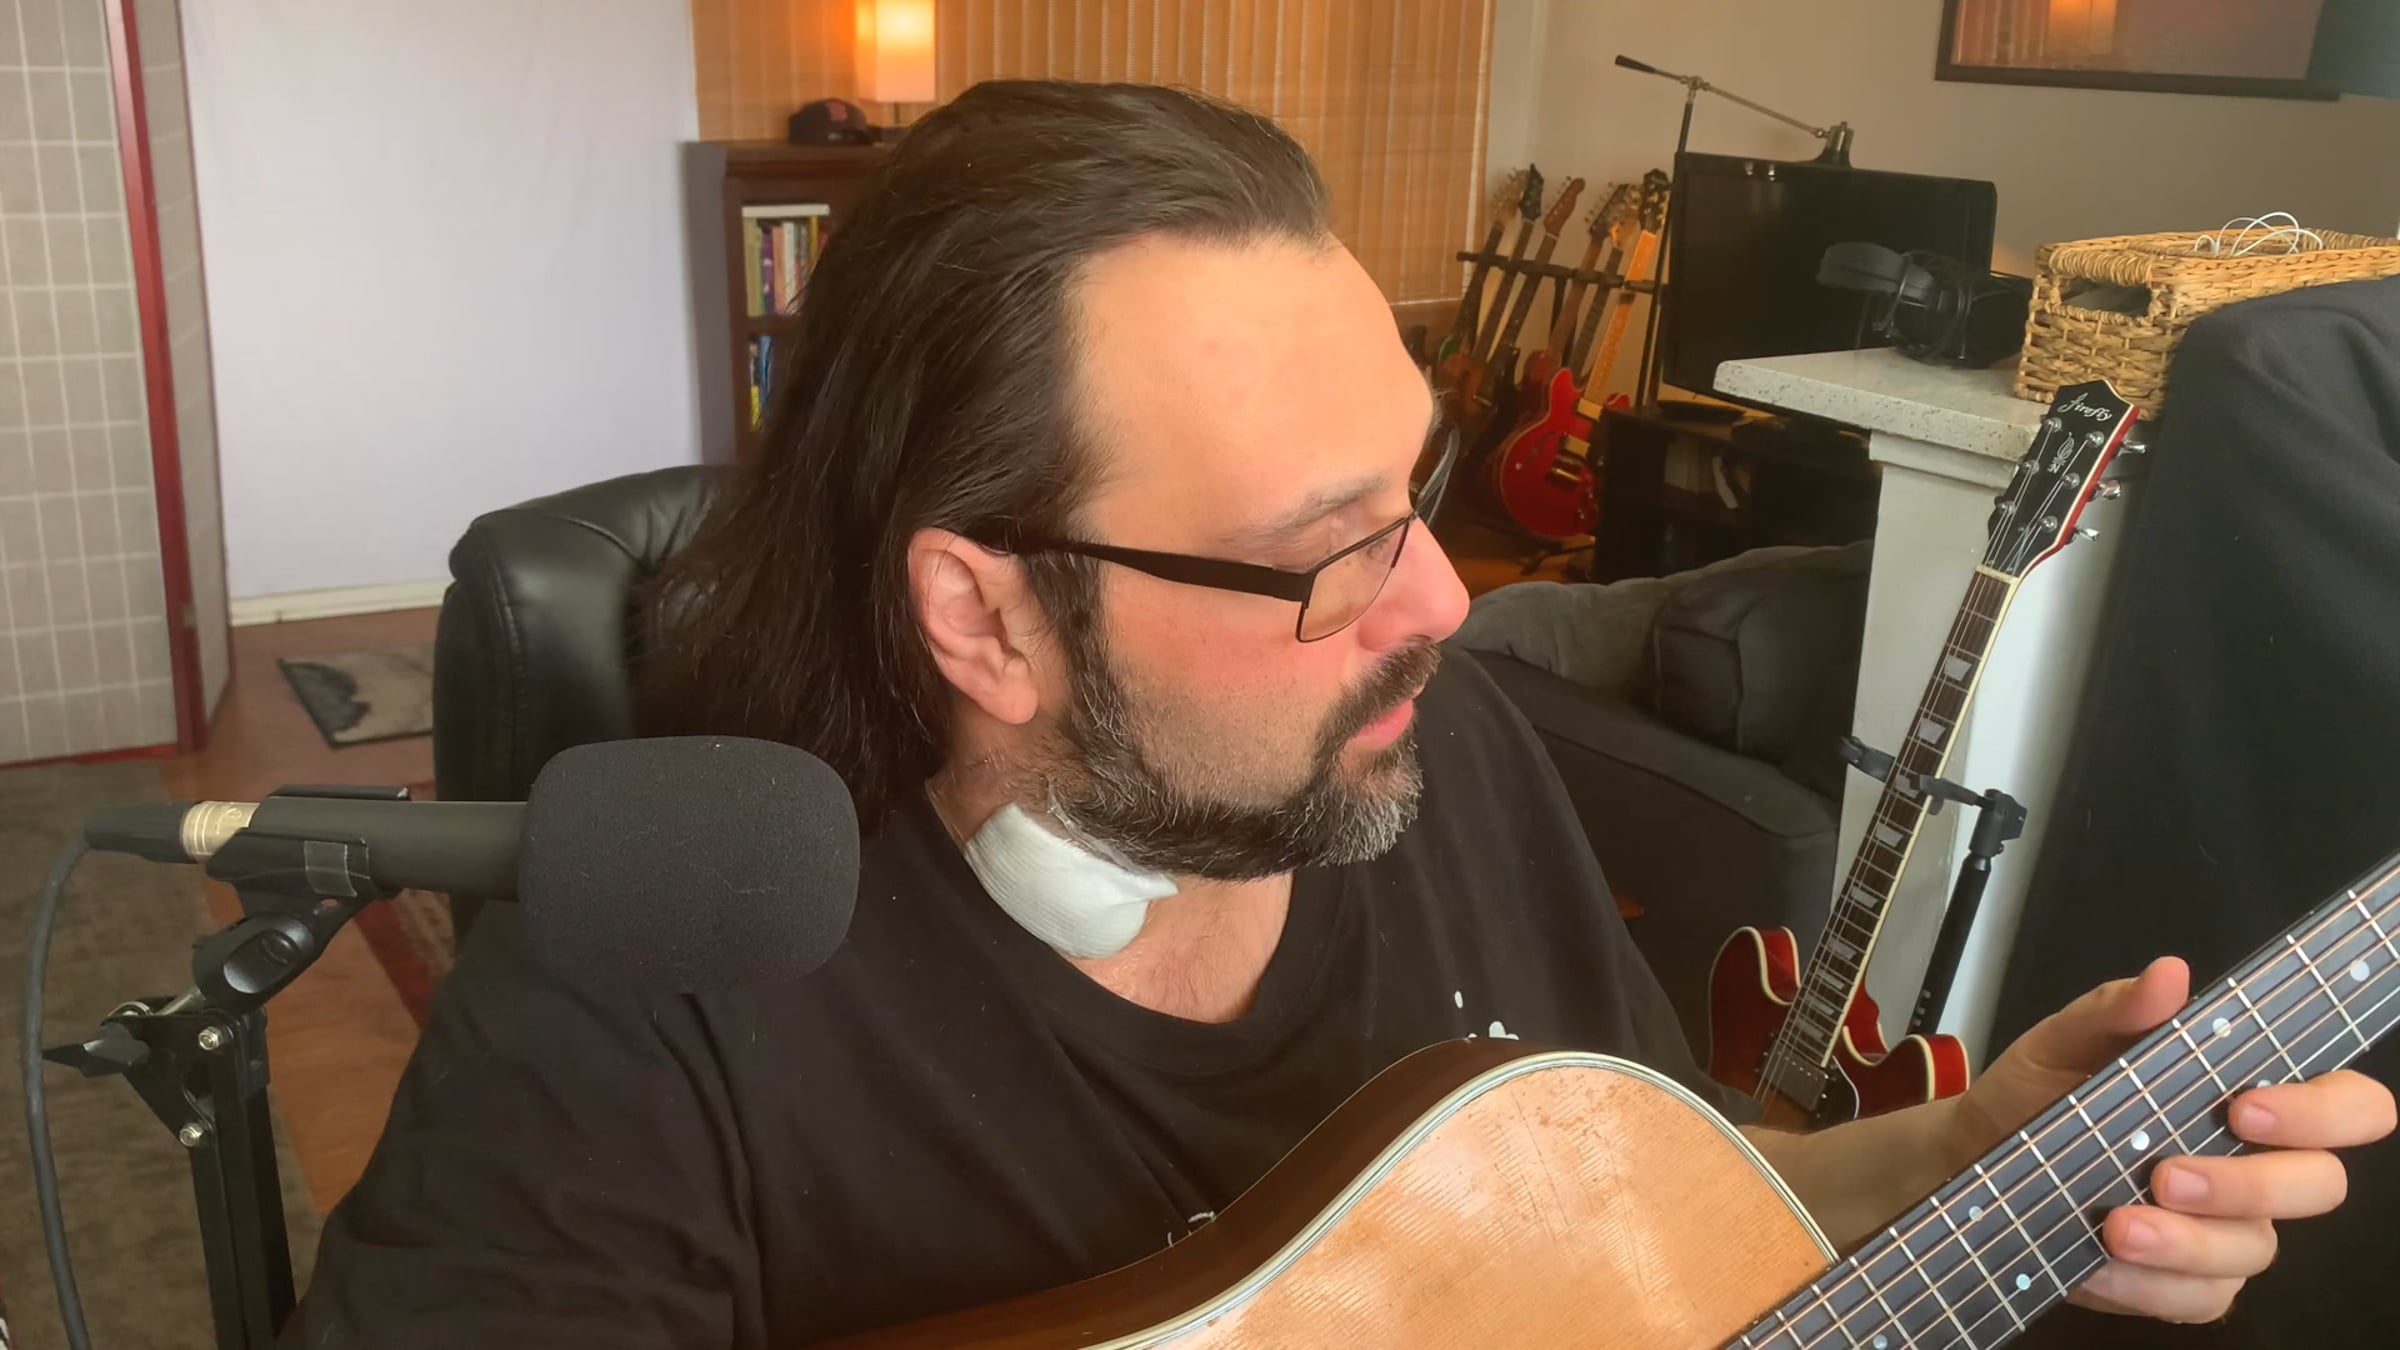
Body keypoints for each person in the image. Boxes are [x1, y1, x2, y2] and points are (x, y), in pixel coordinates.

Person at [288, 82, 2394, 1347]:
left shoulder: (1439, 757)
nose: (1452, 600)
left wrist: (1967, 1157)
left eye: (1423, 487)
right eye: (1330, 553)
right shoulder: (644, 977)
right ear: (985, 617)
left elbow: (1641, 1216)